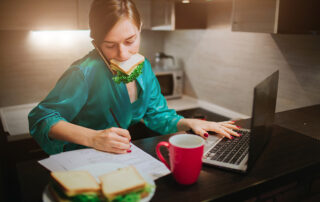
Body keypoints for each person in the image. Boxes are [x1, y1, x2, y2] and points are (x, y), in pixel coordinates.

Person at [28, 0, 240, 155]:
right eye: (110, 45)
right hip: (80, 160)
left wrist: (189, 122)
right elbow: (41, 118)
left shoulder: (144, 67)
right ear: (96, 42)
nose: (122, 54)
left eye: (130, 41)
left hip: (117, 158)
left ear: (139, 28)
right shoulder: (84, 72)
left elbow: (157, 115)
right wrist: (92, 137)